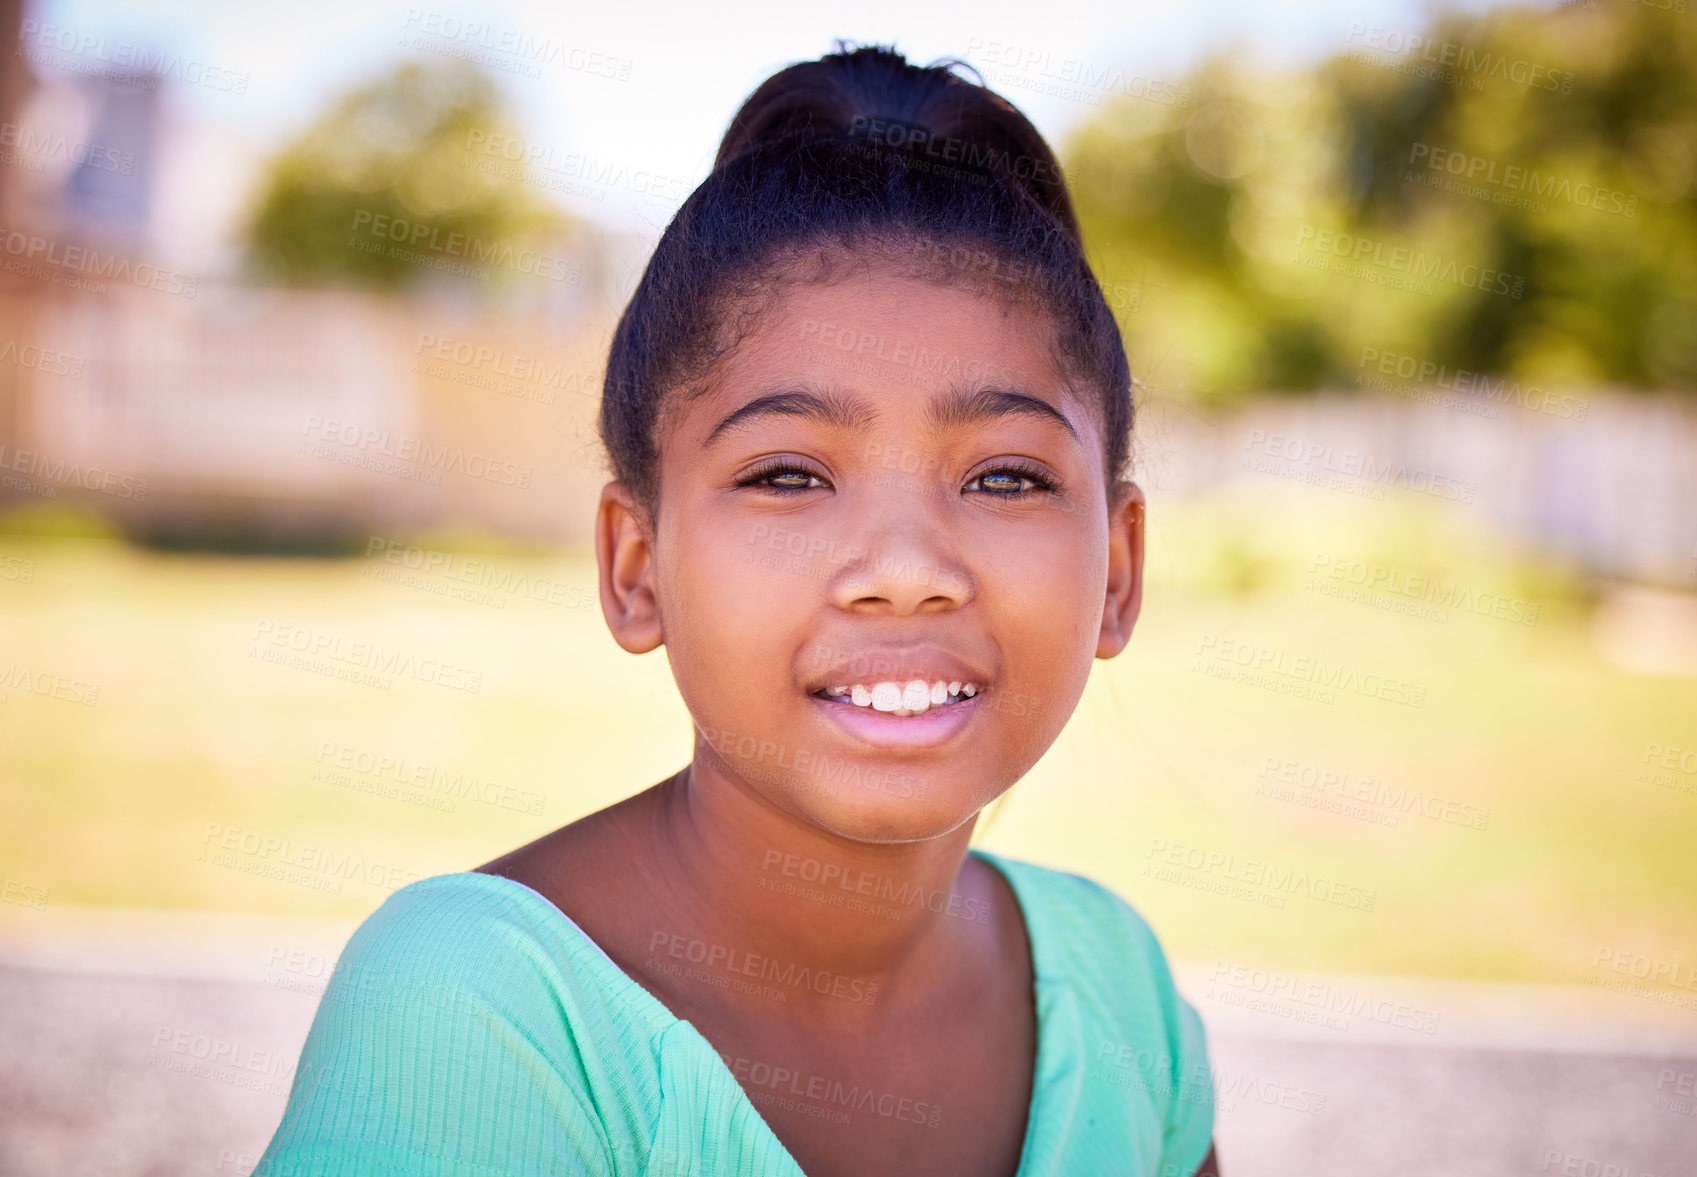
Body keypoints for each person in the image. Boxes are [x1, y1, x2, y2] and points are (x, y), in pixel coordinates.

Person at [256, 42, 1220, 1177]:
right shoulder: (481, 1011)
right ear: (636, 565)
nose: (905, 568)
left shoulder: (1115, 989)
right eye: (787, 474)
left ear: (1115, 569)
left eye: (1003, 475)